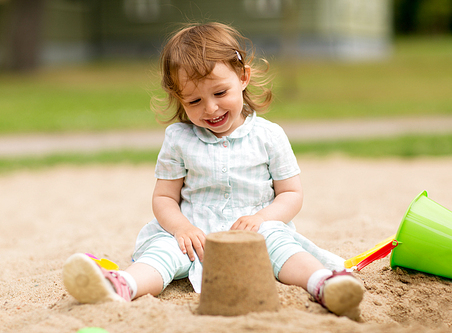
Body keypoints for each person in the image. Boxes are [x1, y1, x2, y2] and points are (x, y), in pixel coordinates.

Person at [62, 22, 364, 319]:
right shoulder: (179, 139)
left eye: (220, 93)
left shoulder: (269, 136)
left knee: (280, 245)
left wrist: (262, 218)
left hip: (254, 232)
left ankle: (323, 282)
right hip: (195, 234)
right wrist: (181, 228)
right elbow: (164, 198)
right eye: (194, 100)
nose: (210, 108)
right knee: (164, 251)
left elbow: (291, 194)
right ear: (179, 98)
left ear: (243, 77)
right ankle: (123, 285)